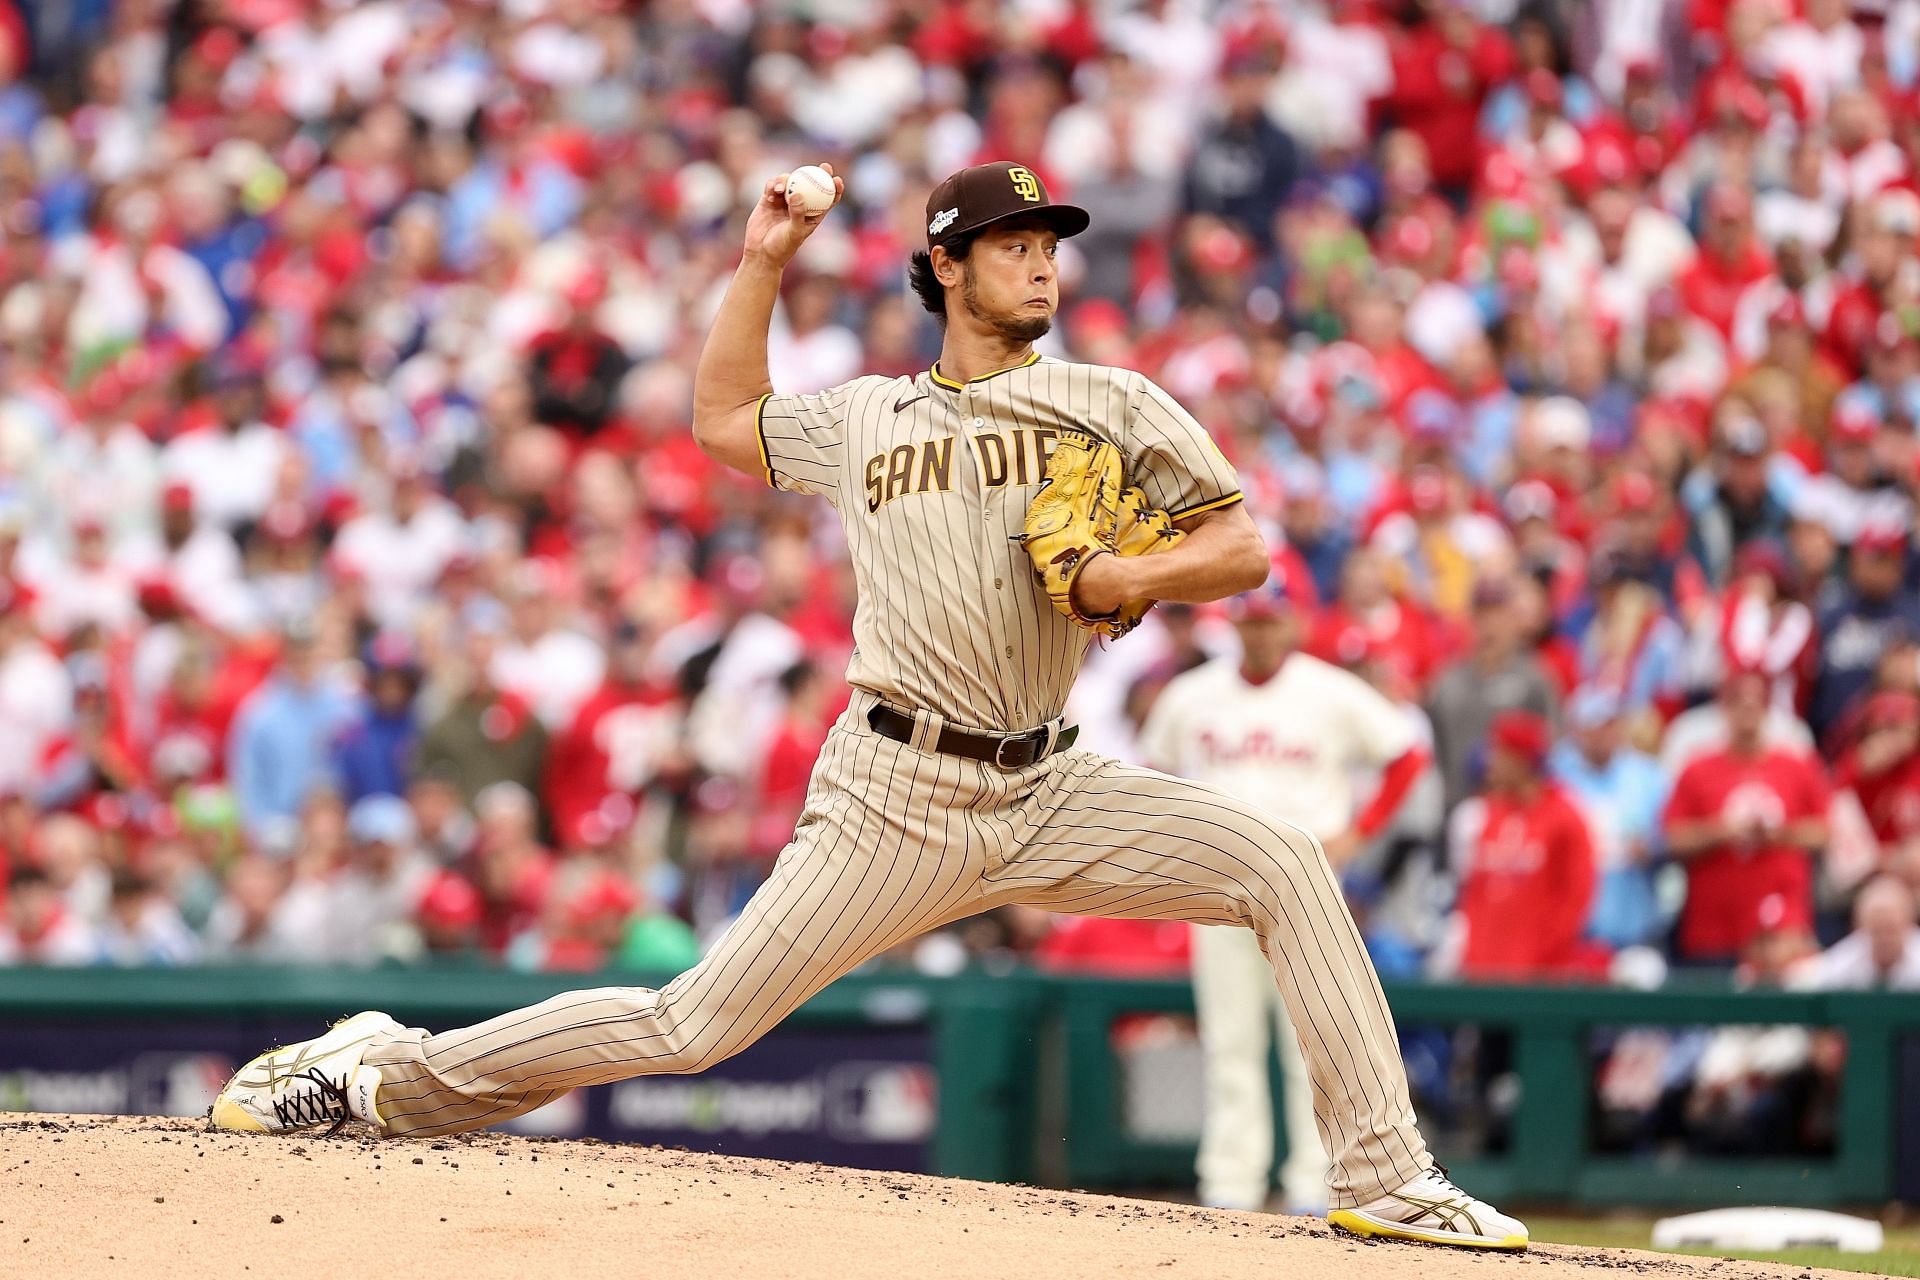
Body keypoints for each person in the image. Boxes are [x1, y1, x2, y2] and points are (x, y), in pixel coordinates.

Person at [209, 160, 1527, 1251]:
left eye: (1049, 244)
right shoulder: (870, 418)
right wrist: (767, 258)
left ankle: (1383, 1175)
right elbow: (724, 418)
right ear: (946, 266)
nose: (1041, 263)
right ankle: (383, 1074)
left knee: (1285, 863)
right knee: (690, 1024)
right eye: (1011, 243)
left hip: (1053, 784)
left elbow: (1241, 550)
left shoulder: (1107, 401)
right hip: (891, 793)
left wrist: (1130, 570)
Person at [1141, 573, 1428, 1217]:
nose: (1261, 631)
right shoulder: (1193, 694)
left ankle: (1313, 1179)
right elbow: (1153, 769)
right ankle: (1230, 1183)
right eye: (1250, 620)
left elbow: (1407, 753)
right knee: (1229, 1040)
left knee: (1315, 1042)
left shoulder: (1328, 692)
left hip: (1305, 889)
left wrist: (1361, 831)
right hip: (1217, 886)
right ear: (1235, 624)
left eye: (1272, 620)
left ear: (1293, 623)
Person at [1663, 671, 1831, 967]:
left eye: (1755, 704)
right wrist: (1724, 832)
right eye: (1738, 703)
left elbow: (1825, 832)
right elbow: (1674, 838)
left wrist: (1777, 834)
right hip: (1715, 926)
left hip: (1781, 929)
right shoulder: (1697, 769)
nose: (1746, 712)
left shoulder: (1797, 766)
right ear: (1724, 710)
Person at [1440, 710, 1597, 979]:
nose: (1489, 763)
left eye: (1499, 753)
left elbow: (1577, 897)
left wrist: (1541, 959)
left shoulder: (1566, 816)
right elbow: (1476, 890)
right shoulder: (1490, 812)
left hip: (1538, 977)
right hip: (1483, 973)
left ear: (1521, 760)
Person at [1794, 875, 1920, 990]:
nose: (1884, 938)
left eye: (1891, 929)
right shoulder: (1852, 953)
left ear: (1908, 925)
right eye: (1877, 930)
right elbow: (1802, 982)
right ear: (1861, 928)